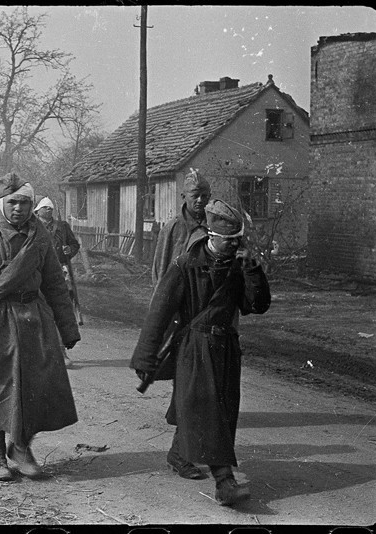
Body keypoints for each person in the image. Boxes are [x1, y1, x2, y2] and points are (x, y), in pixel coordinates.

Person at [130, 198, 271, 506]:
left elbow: (256, 306)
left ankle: (179, 454)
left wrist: (252, 270)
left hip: (227, 349)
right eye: (229, 241)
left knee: (220, 409)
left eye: (238, 241)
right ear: (211, 235)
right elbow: (159, 312)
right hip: (194, 348)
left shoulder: (239, 266)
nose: (234, 247)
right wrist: (145, 357)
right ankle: (224, 481)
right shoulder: (185, 264)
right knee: (209, 410)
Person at [0, 172, 80, 482]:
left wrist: (67, 327)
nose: (18, 209)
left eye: (24, 202)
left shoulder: (41, 238)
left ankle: (21, 448)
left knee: (38, 386)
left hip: (35, 319)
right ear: (2, 204)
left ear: (32, 204)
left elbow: (54, 285)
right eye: (12, 203)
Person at [148, 169, 212, 481]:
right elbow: (160, 275)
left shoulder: (215, 226)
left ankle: (181, 451)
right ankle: (180, 453)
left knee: (193, 388)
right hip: (179, 320)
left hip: (207, 318)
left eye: (204, 195)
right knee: (190, 387)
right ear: (183, 197)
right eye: (194, 195)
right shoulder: (173, 229)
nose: (200, 201)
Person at [34, 195, 81, 368]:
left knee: (59, 310)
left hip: (60, 272)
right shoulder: (31, 226)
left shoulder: (62, 227)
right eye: (45, 208)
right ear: (37, 210)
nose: (49, 210)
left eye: (51, 208)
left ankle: (61, 352)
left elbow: (75, 245)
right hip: (36, 273)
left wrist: (69, 250)